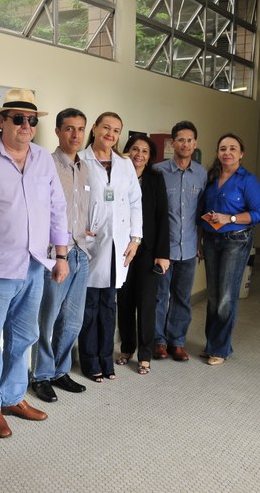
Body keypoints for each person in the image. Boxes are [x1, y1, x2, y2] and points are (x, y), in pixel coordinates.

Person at [0, 88, 69, 438]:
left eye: (32, 120)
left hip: (34, 266)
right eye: (18, 118)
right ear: (2, 121)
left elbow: (57, 208)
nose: (26, 125)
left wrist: (61, 254)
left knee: (23, 338)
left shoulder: (43, 159)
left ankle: (13, 397)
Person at [31, 108, 91, 403]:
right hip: (58, 254)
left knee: (73, 320)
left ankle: (59, 371)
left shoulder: (85, 167)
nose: (75, 135)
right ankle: (41, 375)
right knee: (48, 318)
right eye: (69, 128)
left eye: (80, 129)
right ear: (57, 131)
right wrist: (56, 252)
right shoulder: (47, 164)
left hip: (81, 252)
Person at [77, 112, 142, 383]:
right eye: (106, 127)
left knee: (109, 305)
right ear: (94, 128)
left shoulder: (124, 164)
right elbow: (72, 199)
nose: (110, 134)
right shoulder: (81, 159)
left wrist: (135, 239)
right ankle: (90, 361)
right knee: (89, 305)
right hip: (91, 243)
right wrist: (77, 227)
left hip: (119, 244)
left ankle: (106, 359)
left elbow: (135, 201)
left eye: (116, 130)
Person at [199, 133, 260, 365]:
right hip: (211, 240)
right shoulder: (211, 178)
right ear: (218, 152)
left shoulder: (248, 180)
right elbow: (203, 211)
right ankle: (212, 344)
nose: (227, 152)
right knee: (214, 295)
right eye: (223, 148)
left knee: (226, 297)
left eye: (232, 148)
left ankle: (219, 349)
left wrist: (231, 218)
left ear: (241, 153)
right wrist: (200, 240)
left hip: (236, 240)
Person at [115, 134, 170, 375]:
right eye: (135, 149)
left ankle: (145, 354)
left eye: (145, 151)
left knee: (146, 303)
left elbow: (162, 216)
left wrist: (162, 253)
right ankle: (127, 347)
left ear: (150, 157)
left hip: (148, 250)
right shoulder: (118, 175)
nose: (139, 154)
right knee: (125, 300)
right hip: (122, 248)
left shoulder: (155, 179)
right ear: (127, 151)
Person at [153, 121, 207, 362]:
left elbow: (201, 212)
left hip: (189, 247)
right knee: (159, 296)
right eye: (181, 140)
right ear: (172, 143)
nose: (185, 144)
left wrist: (200, 243)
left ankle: (177, 342)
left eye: (189, 140)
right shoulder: (158, 171)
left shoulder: (202, 174)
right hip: (164, 248)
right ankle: (158, 341)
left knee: (182, 298)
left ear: (195, 144)